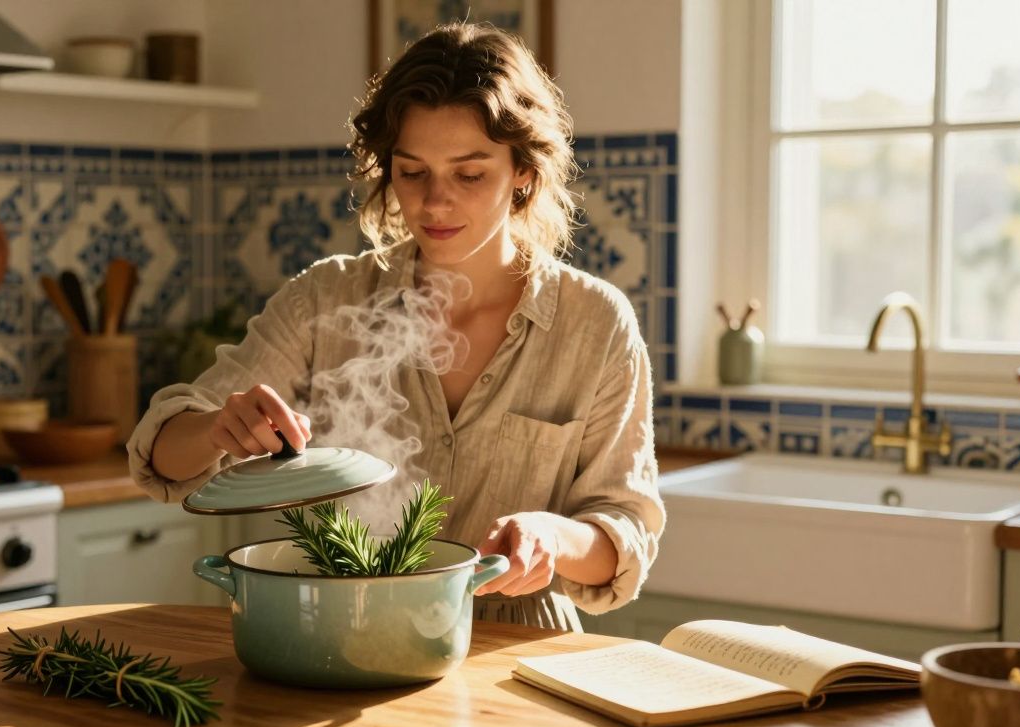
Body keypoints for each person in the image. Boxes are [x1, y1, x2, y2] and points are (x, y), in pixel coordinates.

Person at [127, 22, 663, 631]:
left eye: (469, 174)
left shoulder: (594, 323)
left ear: (523, 172)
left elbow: (623, 532)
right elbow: (164, 459)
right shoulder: (326, 300)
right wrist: (218, 428)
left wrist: (551, 538)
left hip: (517, 651)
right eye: (412, 172)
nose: (435, 202)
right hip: (344, 635)